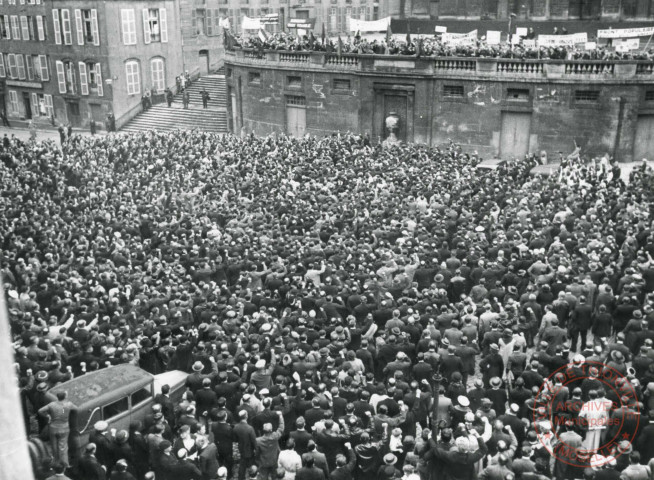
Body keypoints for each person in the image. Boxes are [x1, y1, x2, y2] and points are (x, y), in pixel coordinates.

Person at [38, 390, 78, 467]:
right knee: (63, 448)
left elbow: (40, 411)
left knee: (54, 446)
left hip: (53, 428)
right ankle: (65, 465)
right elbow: (76, 409)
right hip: (64, 428)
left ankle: (56, 463)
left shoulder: (52, 404)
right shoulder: (68, 404)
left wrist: (48, 416)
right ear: (65, 397)